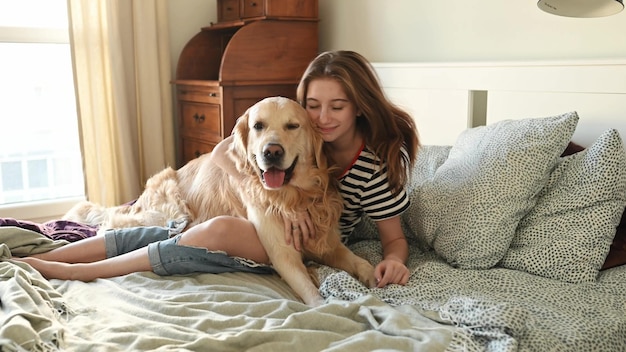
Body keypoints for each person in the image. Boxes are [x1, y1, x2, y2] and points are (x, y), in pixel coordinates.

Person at [14, 50, 420, 289]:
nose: (323, 117)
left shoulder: (370, 166)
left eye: (338, 106)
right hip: (233, 208)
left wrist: (393, 261)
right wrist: (276, 195)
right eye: (313, 106)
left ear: (359, 106)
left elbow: (394, 238)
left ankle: (76, 268)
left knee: (216, 231)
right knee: (154, 228)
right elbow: (225, 150)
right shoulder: (293, 136)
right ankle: (60, 254)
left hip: (301, 239)